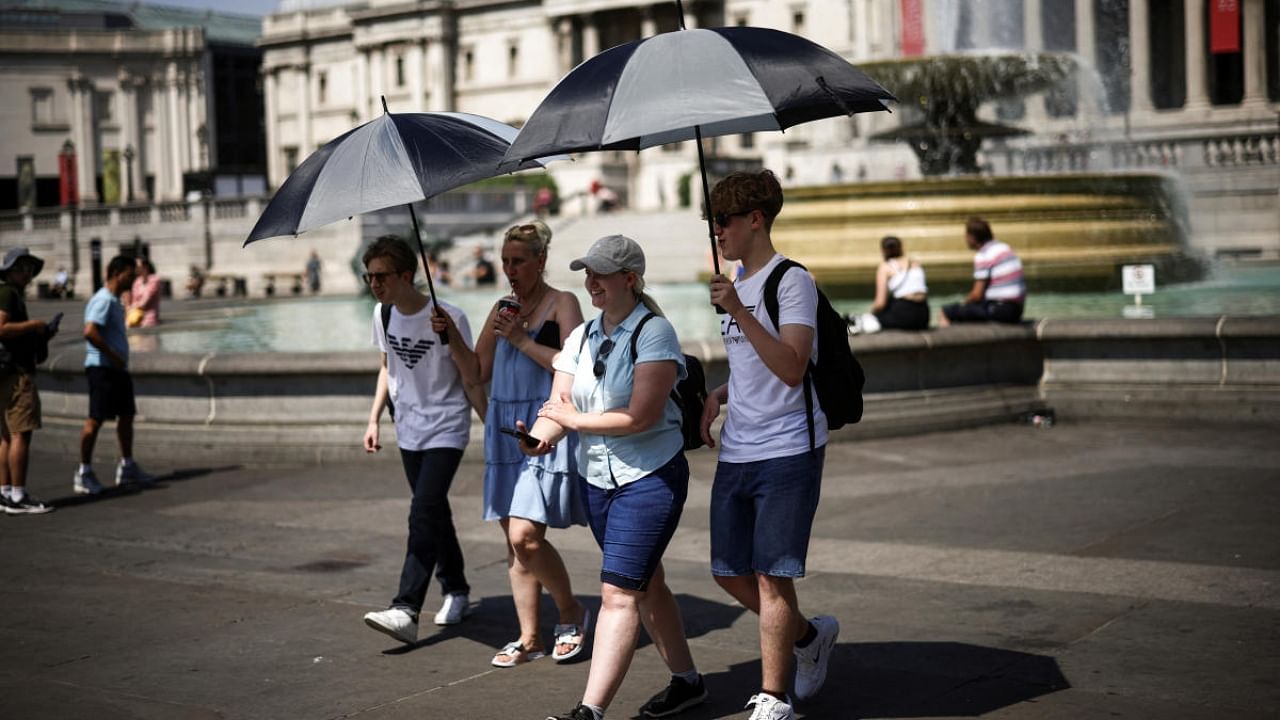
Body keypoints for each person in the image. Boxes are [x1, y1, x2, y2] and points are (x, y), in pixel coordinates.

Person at [521, 235, 706, 720]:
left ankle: (590, 711)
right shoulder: (580, 337)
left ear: (630, 279)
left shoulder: (655, 333)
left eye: (601, 273)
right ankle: (688, 682)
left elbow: (641, 416)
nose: (591, 283)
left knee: (618, 594)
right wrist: (538, 439)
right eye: (587, 273)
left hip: (650, 478)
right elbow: (557, 409)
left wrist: (574, 423)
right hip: (597, 482)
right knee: (648, 584)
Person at [701, 170, 840, 720]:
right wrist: (721, 392)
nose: (718, 232)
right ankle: (808, 637)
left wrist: (738, 309)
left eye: (724, 221)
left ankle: (774, 696)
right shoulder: (737, 279)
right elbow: (755, 366)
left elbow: (790, 367)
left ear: (755, 219)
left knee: (770, 572)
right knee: (726, 569)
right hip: (740, 446)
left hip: (788, 447)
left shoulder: (791, 281)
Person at [473, 221, 589, 668]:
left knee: (526, 535)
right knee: (514, 540)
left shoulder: (563, 303)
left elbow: (577, 365)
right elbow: (476, 370)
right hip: (505, 427)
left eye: (518, 261)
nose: (509, 269)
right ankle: (530, 637)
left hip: (542, 427)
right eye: (505, 261)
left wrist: (521, 339)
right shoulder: (500, 307)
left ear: (541, 260)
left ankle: (570, 611)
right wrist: (449, 339)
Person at [360, 235, 485, 646]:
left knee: (422, 510)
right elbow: (387, 366)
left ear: (406, 275)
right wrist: (373, 418)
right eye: (369, 277)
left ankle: (406, 607)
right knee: (433, 511)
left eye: (381, 276)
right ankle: (457, 589)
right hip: (408, 426)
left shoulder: (449, 315)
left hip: (446, 425)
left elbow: (472, 372)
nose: (374, 285)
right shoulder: (383, 315)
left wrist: (450, 336)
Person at [75, 255, 155, 495]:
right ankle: (84, 472)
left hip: (115, 369)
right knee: (95, 419)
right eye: (130, 275)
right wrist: (113, 355)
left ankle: (127, 465)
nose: (132, 280)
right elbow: (90, 332)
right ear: (117, 273)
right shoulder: (103, 300)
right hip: (103, 368)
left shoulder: (114, 300)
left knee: (127, 415)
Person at [0, 248, 56, 514]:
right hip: (16, 373)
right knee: (20, 433)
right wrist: (33, 326)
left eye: (30, 268)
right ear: (9, 271)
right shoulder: (7, 293)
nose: (27, 273)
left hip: (7, 372)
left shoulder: (11, 294)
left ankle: (5, 492)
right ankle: (19, 495)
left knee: (6, 436)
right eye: (21, 268)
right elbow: (0, 328)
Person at [940, 217, 1026, 326]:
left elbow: (977, 295)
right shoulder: (1005, 248)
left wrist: (964, 303)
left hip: (999, 310)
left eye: (966, 236)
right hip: (1017, 310)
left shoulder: (984, 255)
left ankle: (949, 341)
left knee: (947, 311)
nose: (965, 239)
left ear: (972, 237)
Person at [849, 236, 930, 333]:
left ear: (883, 250)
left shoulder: (885, 267)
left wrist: (870, 313)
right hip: (924, 314)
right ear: (901, 247)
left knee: (868, 321)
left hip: (904, 314)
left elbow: (880, 303)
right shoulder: (915, 263)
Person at [128, 258, 162, 328]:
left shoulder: (154, 280)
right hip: (135, 319)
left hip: (149, 320)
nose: (135, 268)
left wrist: (132, 306)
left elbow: (145, 301)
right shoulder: (137, 281)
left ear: (145, 267)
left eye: (137, 266)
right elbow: (134, 300)